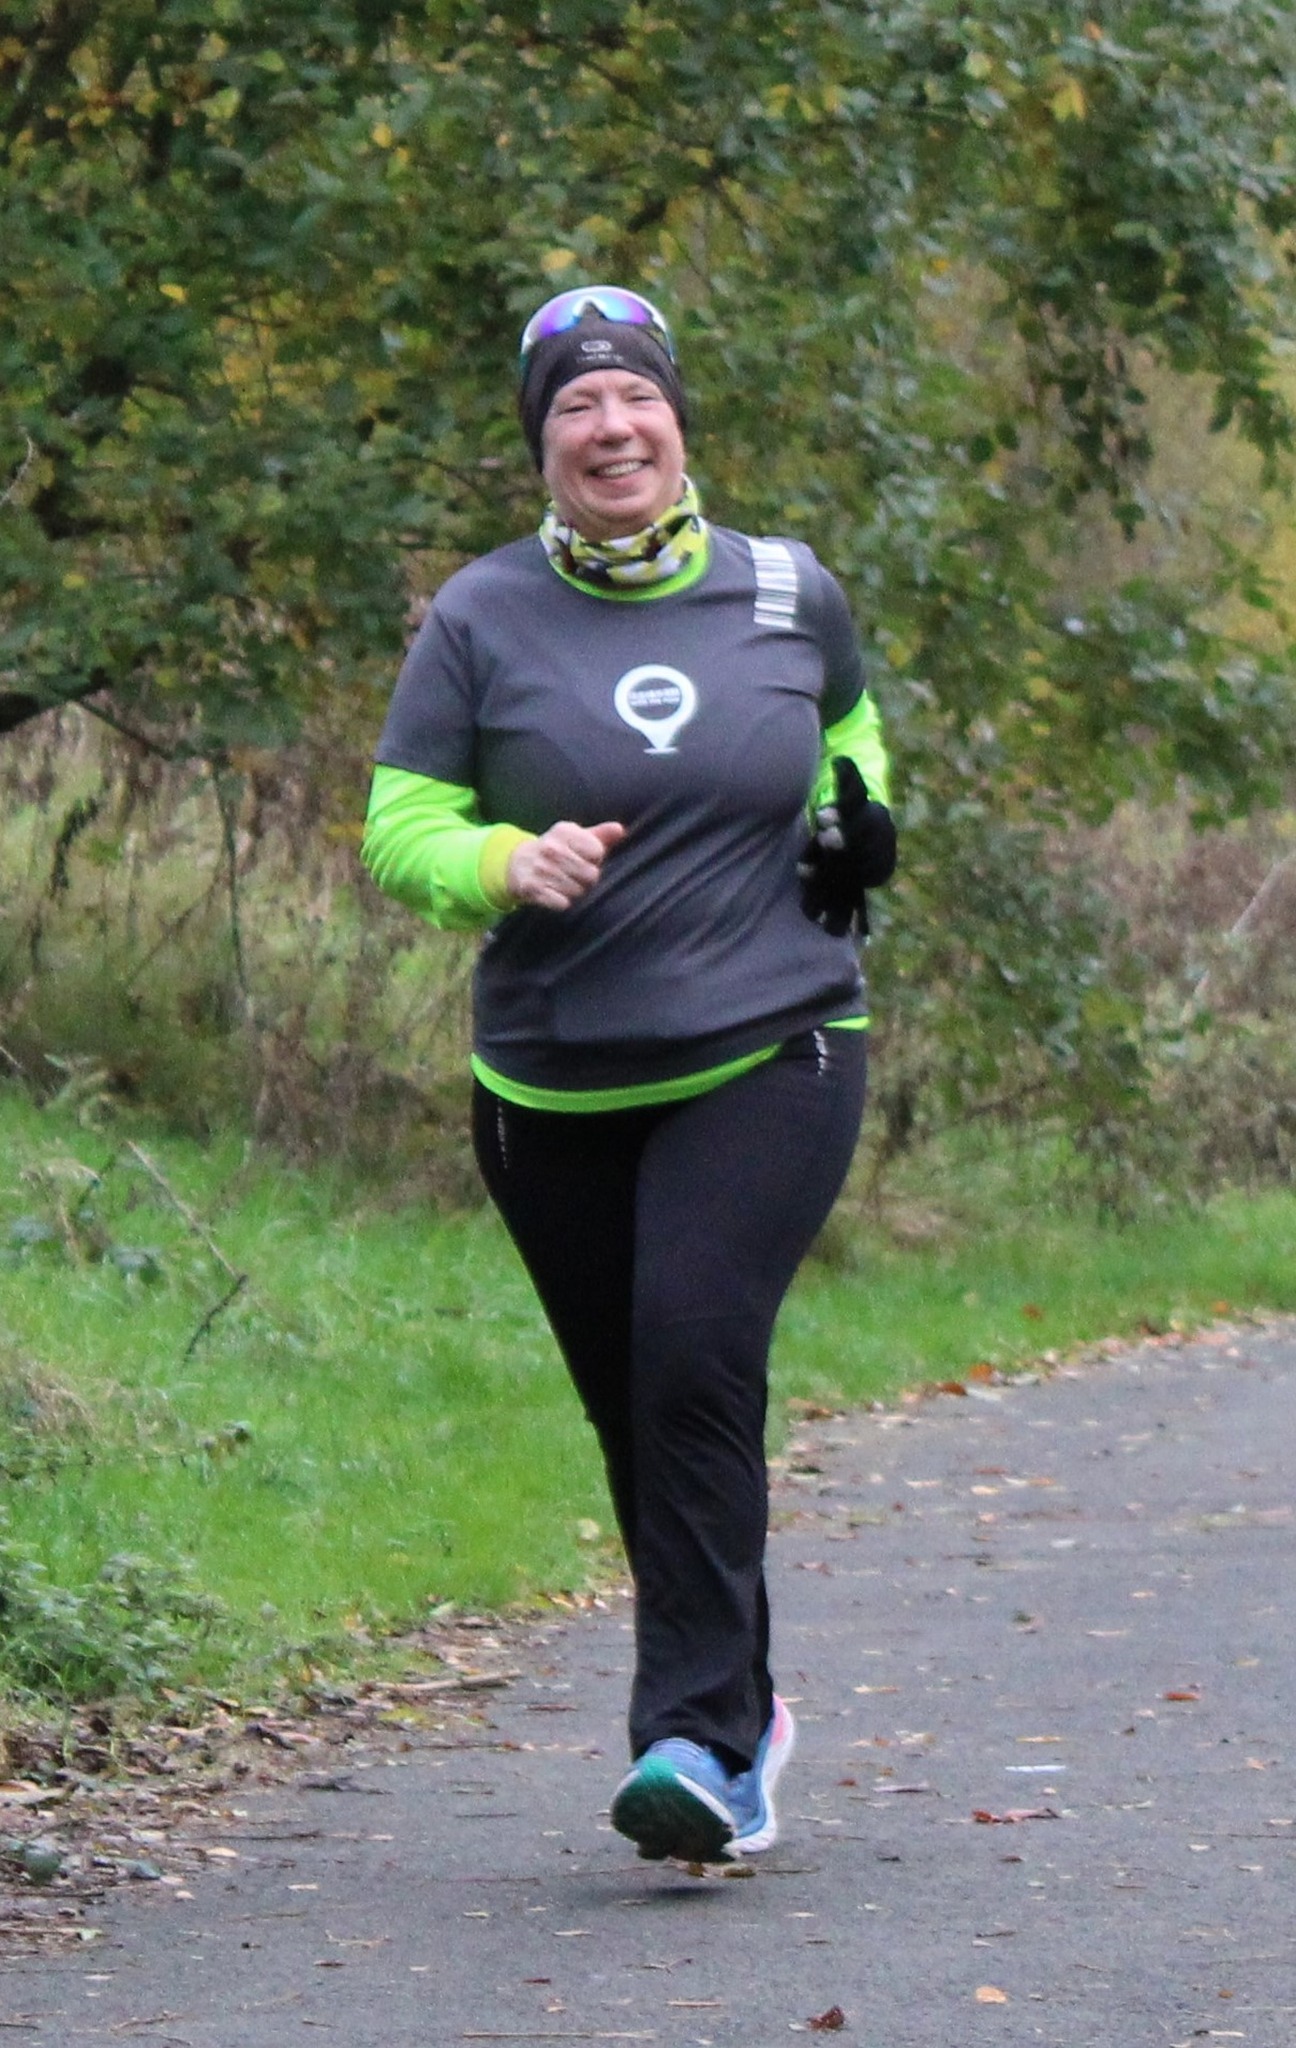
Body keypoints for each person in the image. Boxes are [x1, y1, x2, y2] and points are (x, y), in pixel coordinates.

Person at [362, 285, 896, 1865]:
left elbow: (848, 732)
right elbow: (400, 825)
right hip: (551, 1084)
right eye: (577, 409)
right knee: (642, 1412)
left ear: (677, 420)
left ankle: (696, 1745)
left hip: (774, 1040)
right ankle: (748, 1707)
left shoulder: (788, 588)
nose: (612, 429)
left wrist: (860, 819)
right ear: (542, 446)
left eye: (635, 399)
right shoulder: (480, 616)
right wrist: (501, 861)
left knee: (693, 1357)